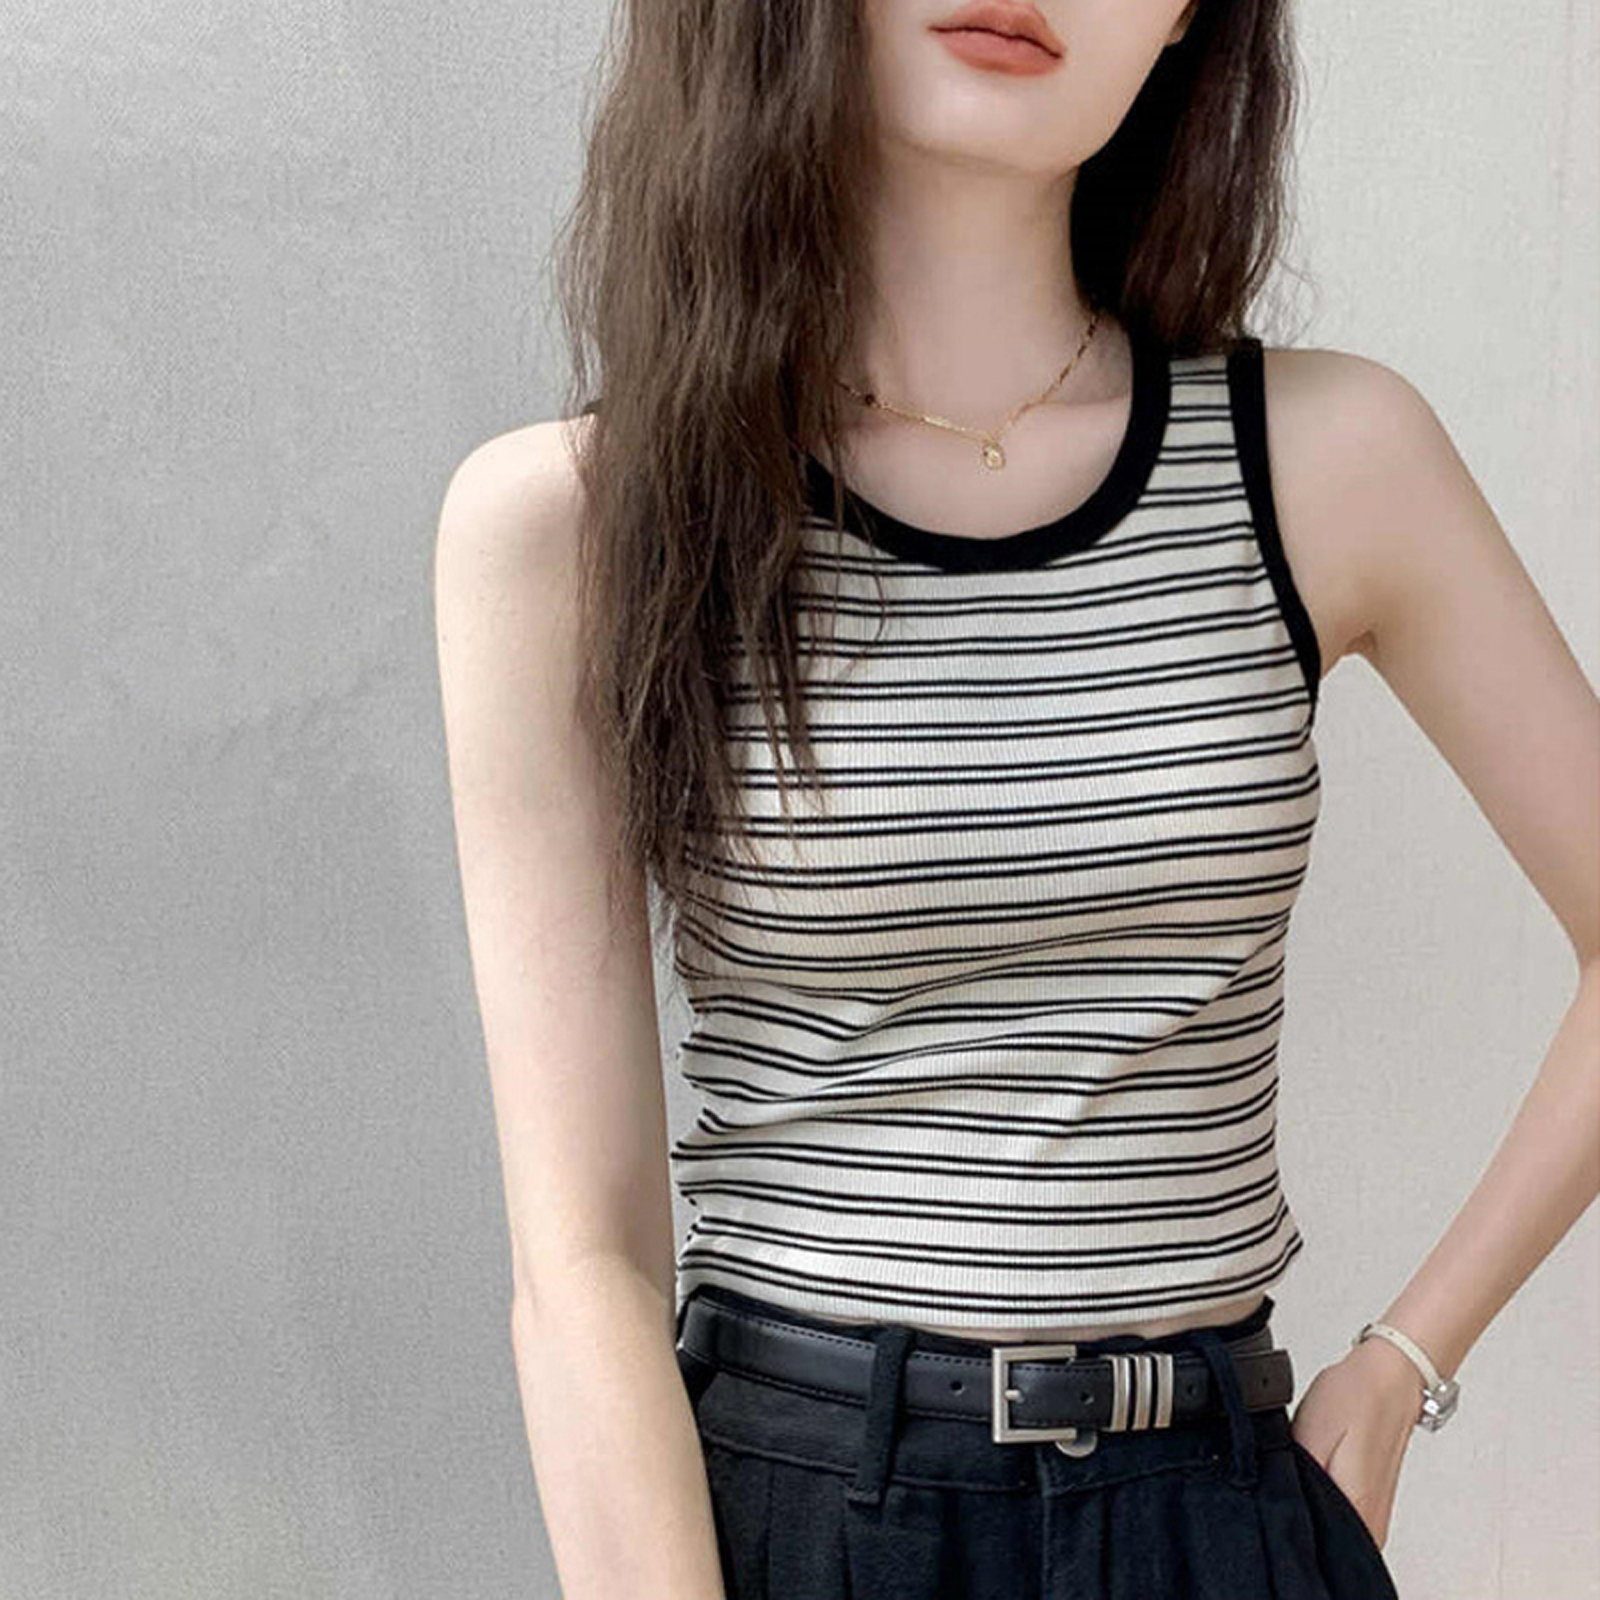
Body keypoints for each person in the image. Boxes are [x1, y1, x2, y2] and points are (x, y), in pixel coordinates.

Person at [431, 0, 1600, 1596]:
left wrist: (1403, 1366)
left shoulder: (1329, 462)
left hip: (1213, 1512)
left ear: (1187, 23)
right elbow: (583, 1262)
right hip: (802, 1516)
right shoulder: (577, 527)